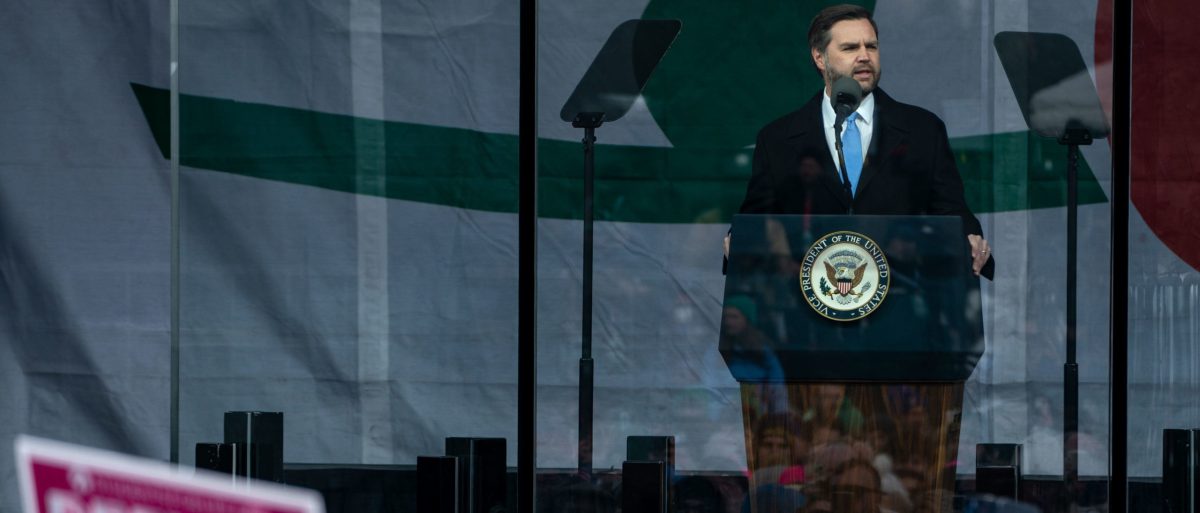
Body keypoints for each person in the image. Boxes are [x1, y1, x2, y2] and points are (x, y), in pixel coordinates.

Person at [726, 4, 994, 279]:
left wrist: (969, 237)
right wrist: (740, 238)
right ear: (819, 57)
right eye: (850, 48)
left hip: (901, 291)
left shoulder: (923, 129)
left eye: (872, 46)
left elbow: (951, 210)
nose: (865, 56)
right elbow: (757, 219)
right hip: (807, 294)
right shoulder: (778, 139)